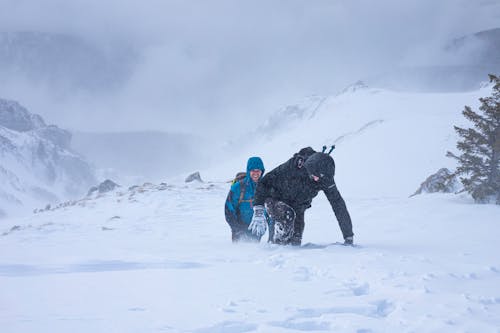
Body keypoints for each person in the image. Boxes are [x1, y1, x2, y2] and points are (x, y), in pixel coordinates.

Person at [248, 147, 354, 246]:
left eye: (319, 178)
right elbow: (264, 182)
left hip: (298, 207)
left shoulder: (325, 178)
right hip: (274, 199)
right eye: (314, 176)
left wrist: (348, 236)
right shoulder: (294, 165)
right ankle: (276, 251)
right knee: (287, 217)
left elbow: (338, 204)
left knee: (296, 240)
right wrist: (258, 209)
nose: (317, 180)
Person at [224, 156, 268, 242]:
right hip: (239, 229)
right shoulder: (238, 187)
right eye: (253, 171)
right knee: (239, 252)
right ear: (248, 171)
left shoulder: (266, 187)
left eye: (258, 171)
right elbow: (229, 210)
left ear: (262, 171)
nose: (255, 173)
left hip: (257, 229)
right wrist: (237, 229)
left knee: (254, 253)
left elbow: (271, 209)